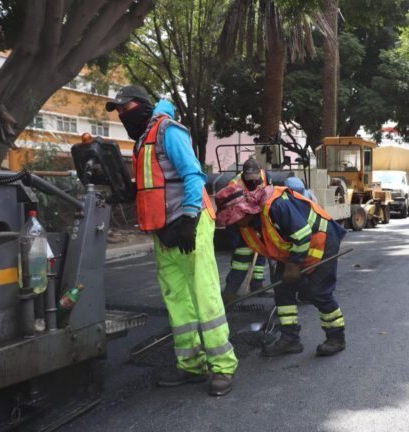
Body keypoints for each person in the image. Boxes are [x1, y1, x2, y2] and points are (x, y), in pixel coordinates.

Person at [106, 85, 238, 396]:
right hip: (163, 230)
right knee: (176, 299)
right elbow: (158, 184)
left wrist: (190, 219)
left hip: (188, 225)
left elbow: (193, 174)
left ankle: (223, 366)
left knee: (204, 295)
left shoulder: (168, 130)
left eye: (126, 108)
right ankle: (191, 365)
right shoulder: (143, 141)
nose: (123, 115)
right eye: (119, 111)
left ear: (144, 106)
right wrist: (132, 191)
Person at [214, 183, 347, 356]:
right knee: (282, 288)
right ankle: (290, 339)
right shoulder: (243, 226)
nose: (236, 221)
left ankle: (336, 337)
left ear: (246, 209)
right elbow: (242, 257)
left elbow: (302, 234)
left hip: (322, 240)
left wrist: (293, 266)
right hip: (292, 249)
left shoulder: (275, 206)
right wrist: (230, 290)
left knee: (318, 292)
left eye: (236, 216)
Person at [222, 158, 269, 303]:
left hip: (256, 216)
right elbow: (235, 215)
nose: (253, 182)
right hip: (238, 220)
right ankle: (230, 291)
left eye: (255, 178)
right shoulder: (234, 186)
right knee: (241, 257)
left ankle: (257, 285)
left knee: (261, 251)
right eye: (250, 179)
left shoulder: (265, 176)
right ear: (243, 175)